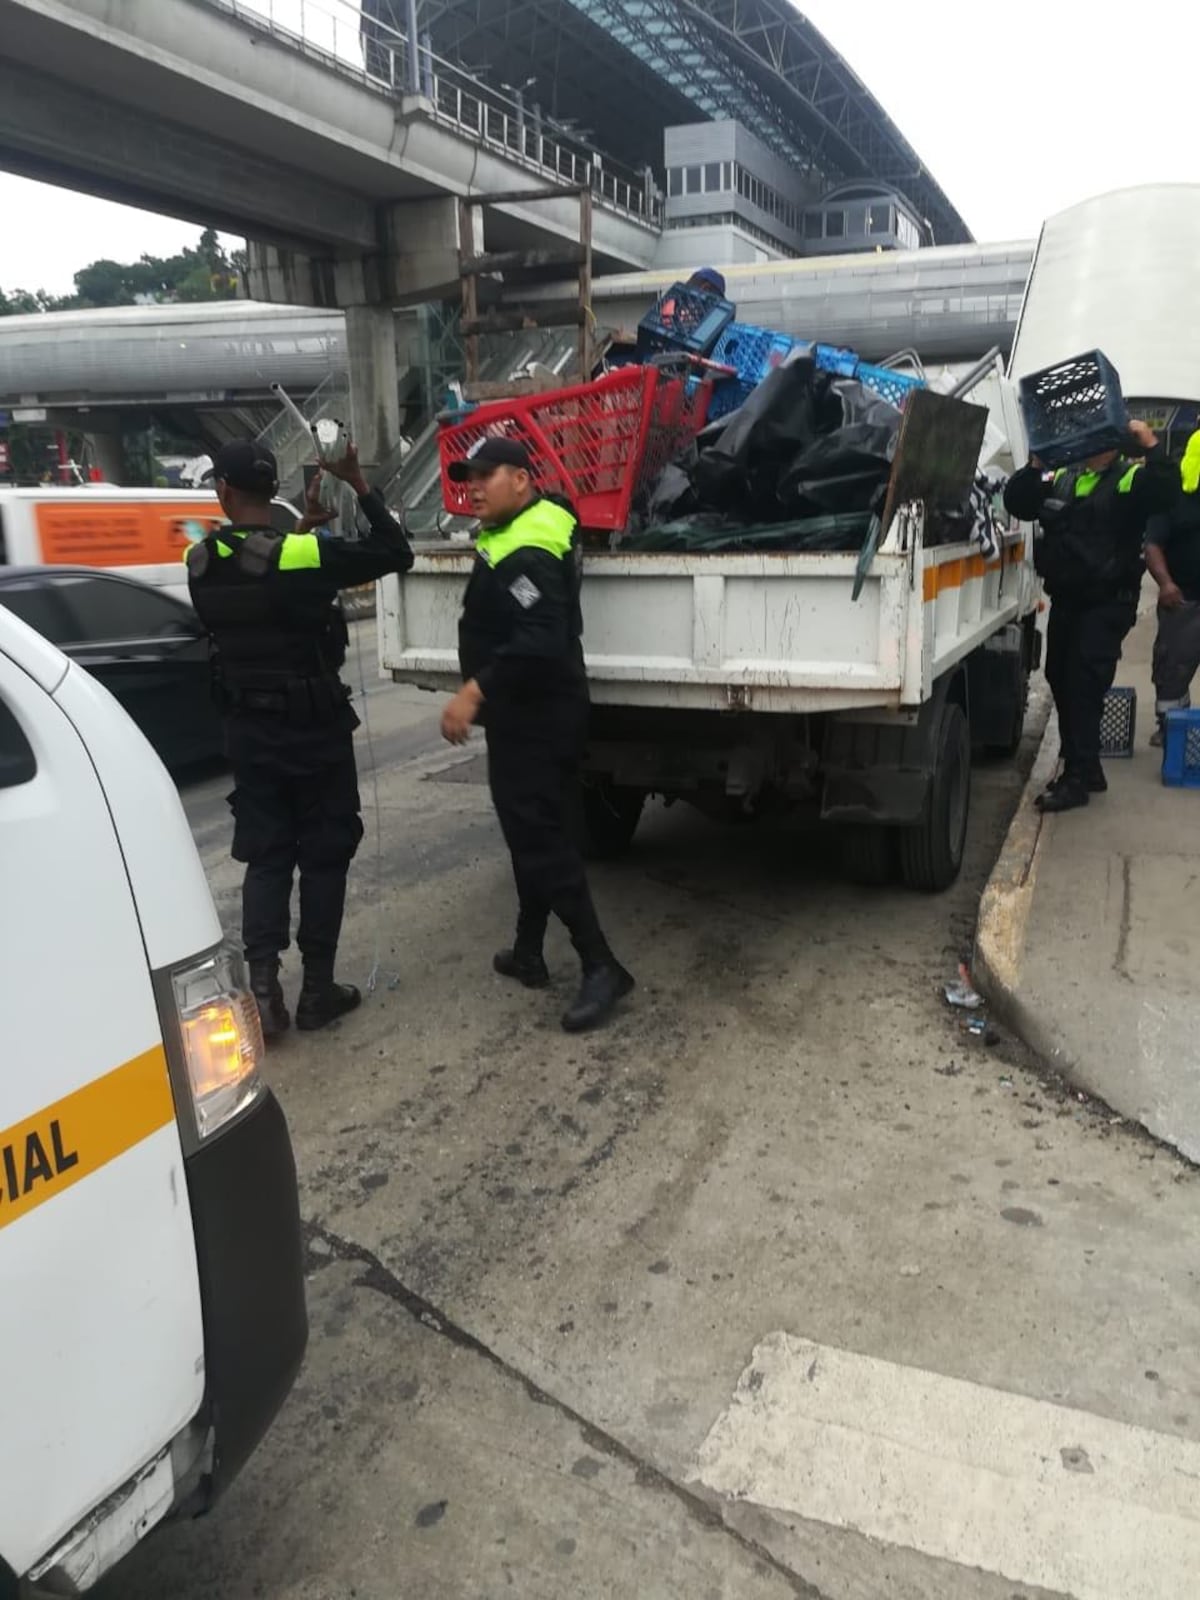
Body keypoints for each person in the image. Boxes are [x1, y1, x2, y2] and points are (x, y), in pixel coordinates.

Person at [187, 439, 413, 1037]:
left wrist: (303, 536)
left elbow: (256, 579)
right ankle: (317, 990)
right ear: (273, 490)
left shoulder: (199, 561)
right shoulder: (303, 554)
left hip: (250, 735)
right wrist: (359, 484)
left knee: (267, 856)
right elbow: (395, 551)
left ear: (224, 492)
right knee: (324, 853)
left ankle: (263, 993)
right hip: (313, 732)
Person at [439, 437, 633, 1032]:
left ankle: (602, 965)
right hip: (536, 715)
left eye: (485, 475)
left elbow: (540, 640)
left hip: (535, 717)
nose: (472, 486)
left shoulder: (528, 547)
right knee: (534, 834)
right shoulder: (525, 529)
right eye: (467, 477)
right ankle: (527, 950)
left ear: (521, 479)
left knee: (541, 840)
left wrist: (475, 690)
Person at [1003, 419, 1174, 811]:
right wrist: (1034, 466)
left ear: (1112, 440)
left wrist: (1149, 442)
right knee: (1059, 679)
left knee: (1083, 684)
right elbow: (1018, 502)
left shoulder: (1130, 479)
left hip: (1106, 603)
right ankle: (1088, 766)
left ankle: (1076, 779)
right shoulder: (1062, 474)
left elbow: (1167, 493)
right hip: (1068, 600)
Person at [1146, 429, 1200, 745]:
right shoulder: (1173, 495)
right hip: (1184, 600)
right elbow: (1153, 544)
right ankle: (1171, 728)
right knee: (1172, 670)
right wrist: (1165, 584)